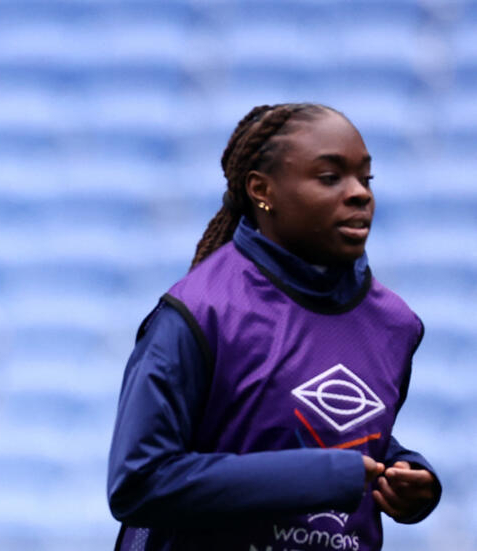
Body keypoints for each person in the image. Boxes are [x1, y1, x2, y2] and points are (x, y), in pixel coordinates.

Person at [107, 103, 441, 550]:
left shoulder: (394, 324)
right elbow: (139, 482)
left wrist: (408, 475)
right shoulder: (199, 311)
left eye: (366, 178)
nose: (360, 193)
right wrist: (322, 474)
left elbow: (303, 421)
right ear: (262, 191)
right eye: (330, 177)